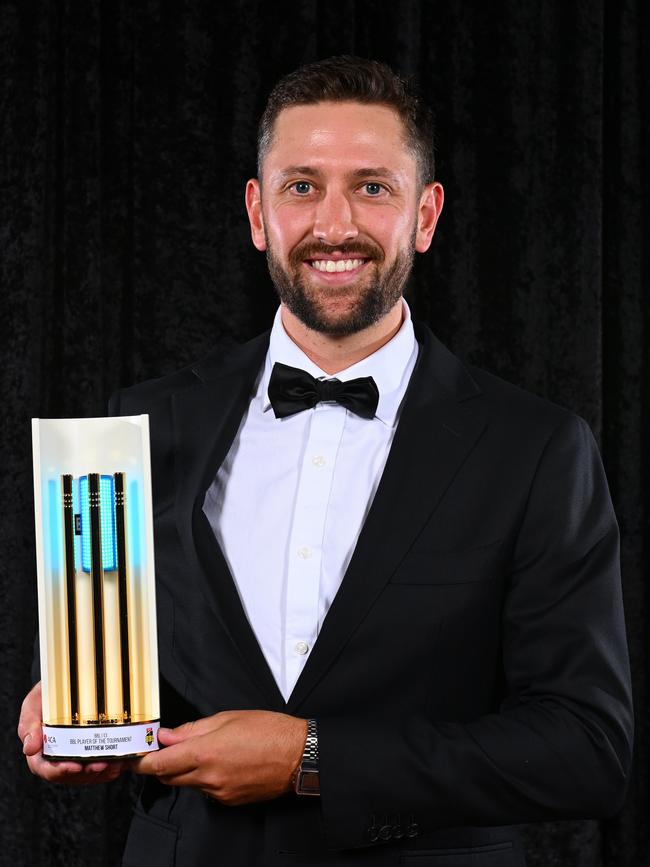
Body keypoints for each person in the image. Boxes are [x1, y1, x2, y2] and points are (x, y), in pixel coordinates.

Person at [18, 56, 633, 867]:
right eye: (301, 186)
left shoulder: (538, 447)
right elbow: (108, 664)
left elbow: (585, 748)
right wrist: (72, 715)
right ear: (257, 212)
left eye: (372, 186)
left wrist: (315, 759)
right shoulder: (140, 421)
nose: (333, 225)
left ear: (426, 214)